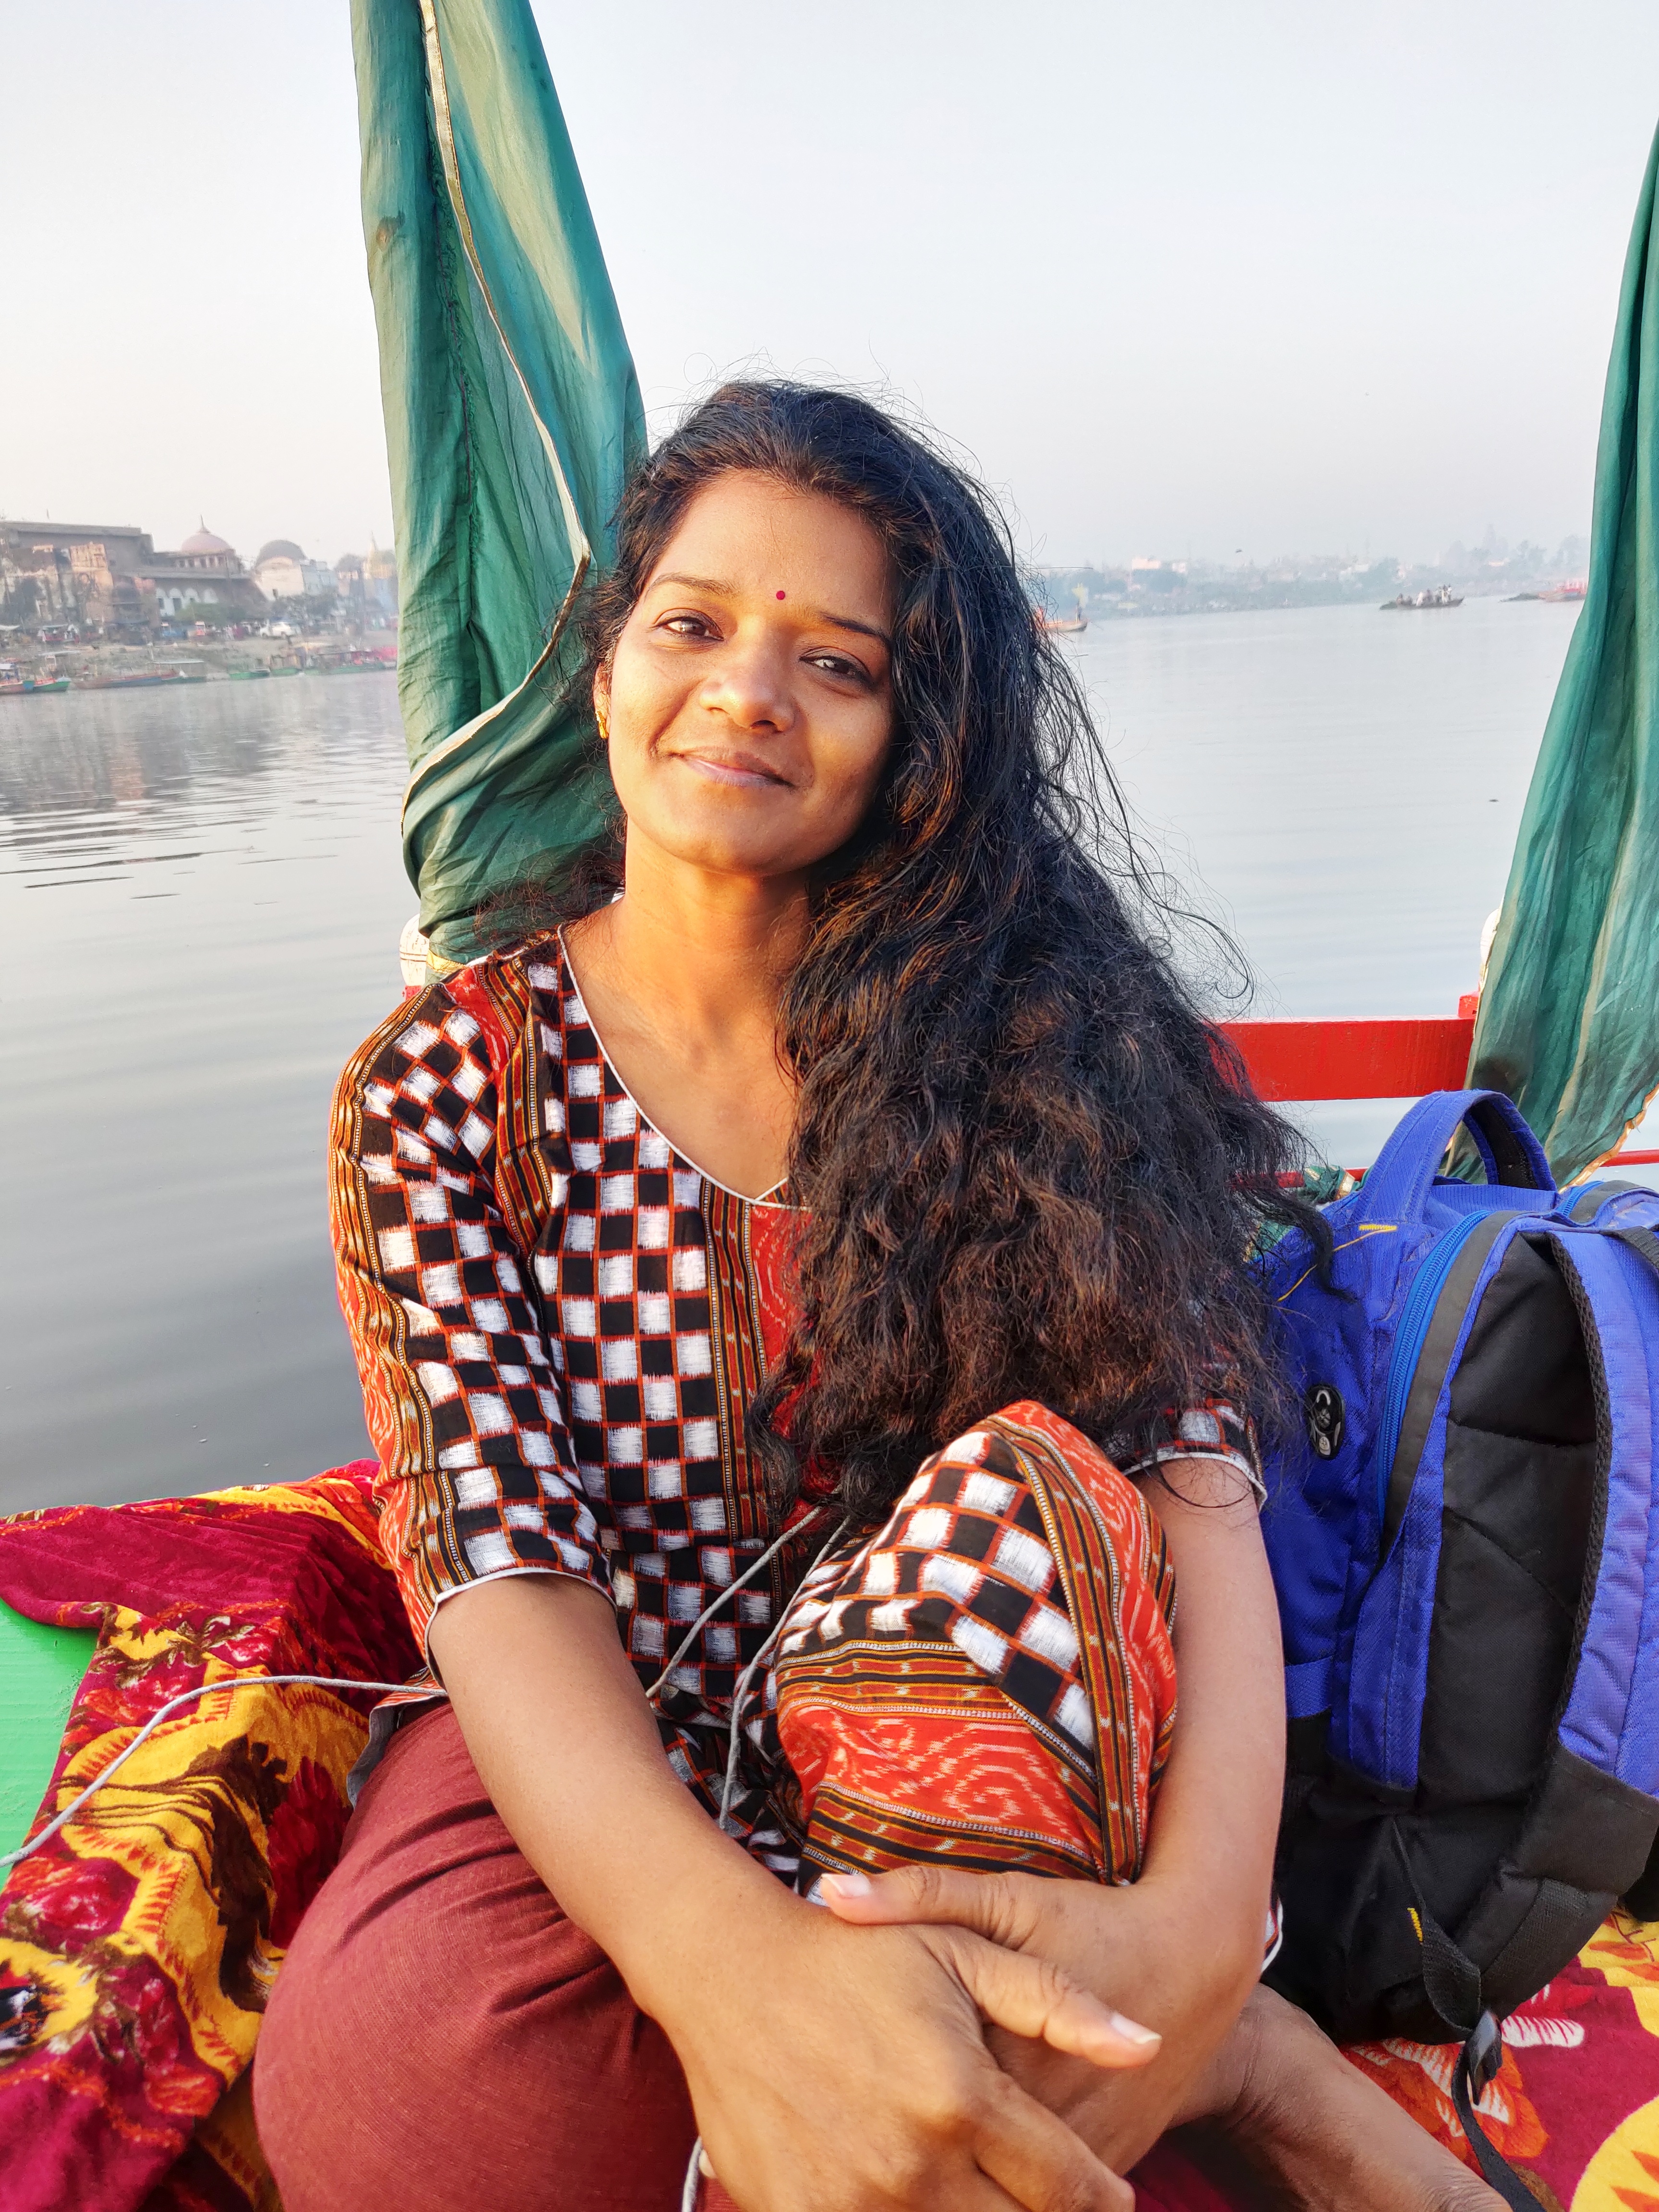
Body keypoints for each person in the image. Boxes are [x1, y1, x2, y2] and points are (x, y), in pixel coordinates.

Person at [254, 382, 1501, 2211]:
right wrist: (728, 1974)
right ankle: (1154, 2076)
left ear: (913, 739)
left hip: (962, 1727)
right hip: (610, 1728)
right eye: (692, 626)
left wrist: (1197, 1932)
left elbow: (1196, 1483)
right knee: (417, 2102)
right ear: (604, 676)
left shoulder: (1036, 1045)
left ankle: (1242, 2051)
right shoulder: (447, 1086)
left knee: (1026, 1970)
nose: (750, 690)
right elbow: (498, 1569)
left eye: (835, 663)